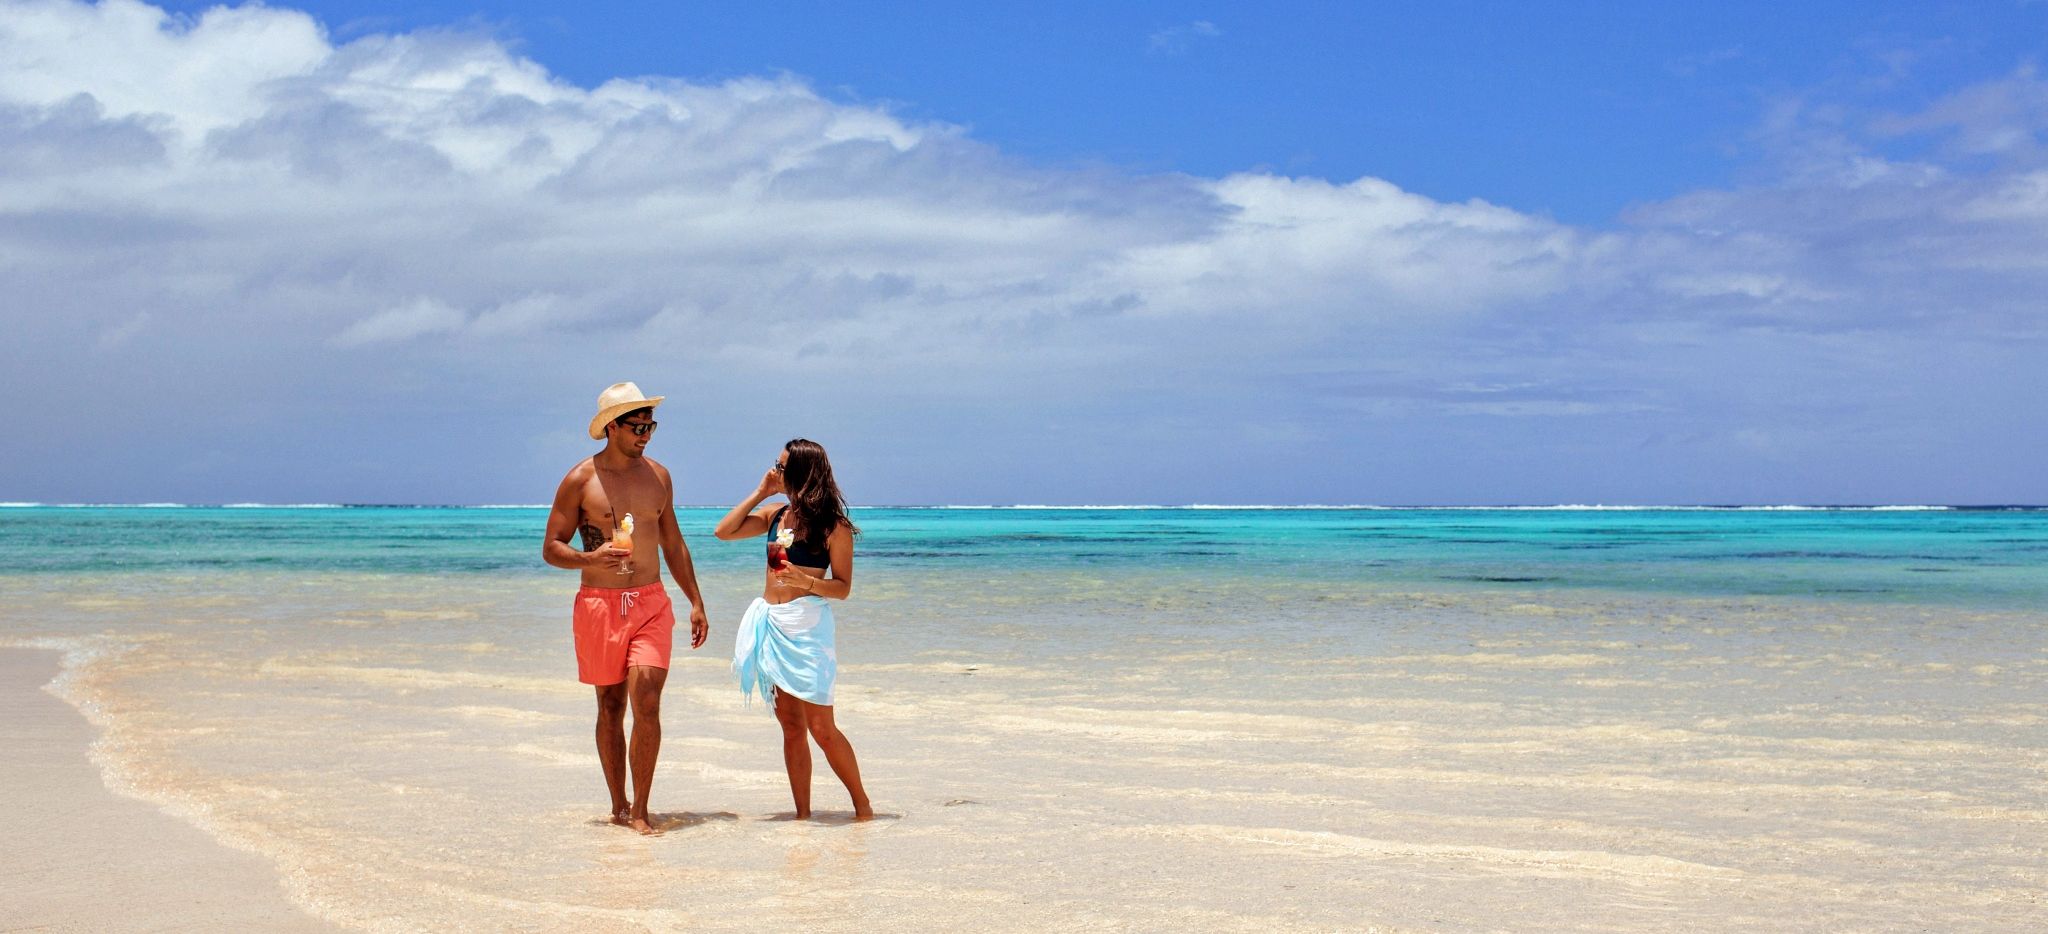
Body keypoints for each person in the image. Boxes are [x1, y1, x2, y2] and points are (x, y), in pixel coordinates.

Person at [543, 382, 710, 835]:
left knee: (648, 700)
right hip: (599, 605)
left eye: (651, 426)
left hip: (651, 603)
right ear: (612, 428)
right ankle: (618, 803)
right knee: (611, 704)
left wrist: (695, 599)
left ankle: (641, 811)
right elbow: (552, 548)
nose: (647, 435)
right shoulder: (580, 480)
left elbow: (672, 542)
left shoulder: (659, 476)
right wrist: (589, 558)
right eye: (638, 427)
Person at [714, 439, 873, 820]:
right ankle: (803, 815)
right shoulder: (775, 516)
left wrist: (805, 580)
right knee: (790, 726)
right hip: (773, 625)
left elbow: (843, 588)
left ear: (802, 473)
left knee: (823, 728)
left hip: (808, 629)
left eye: (782, 467)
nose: (776, 471)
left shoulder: (835, 528)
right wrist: (760, 491)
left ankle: (863, 807)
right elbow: (724, 531)